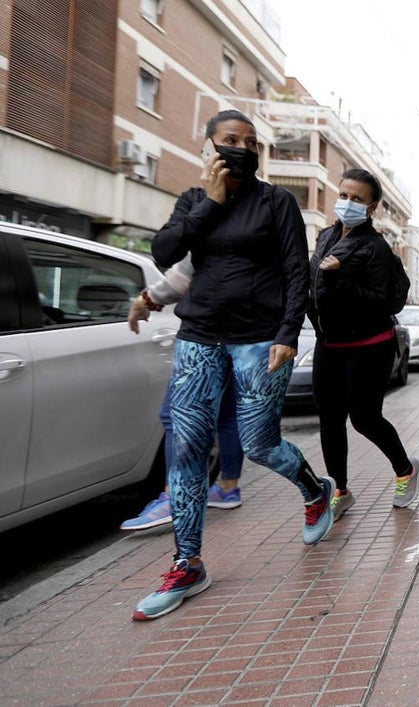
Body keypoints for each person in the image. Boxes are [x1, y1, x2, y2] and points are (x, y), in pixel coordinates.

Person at [132, 109, 334, 621]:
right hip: (199, 337)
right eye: (229, 140)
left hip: (260, 341)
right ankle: (188, 562)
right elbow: (165, 251)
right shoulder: (194, 201)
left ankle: (315, 490)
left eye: (249, 141)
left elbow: (295, 271)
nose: (241, 147)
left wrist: (288, 333)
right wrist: (213, 202)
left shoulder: (277, 202)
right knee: (187, 448)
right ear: (209, 148)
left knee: (258, 444)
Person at [309, 168, 419, 519]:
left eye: (357, 199)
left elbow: (383, 302)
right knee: (329, 420)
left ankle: (405, 469)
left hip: (370, 345)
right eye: (344, 195)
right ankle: (340, 489)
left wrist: (338, 280)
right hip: (328, 343)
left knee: (364, 418)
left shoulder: (376, 248)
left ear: (372, 207)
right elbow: (311, 288)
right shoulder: (325, 236)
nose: (347, 203)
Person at [120, 258, 245, 531]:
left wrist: (147, 299)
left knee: (175, 415)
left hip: (209, 334)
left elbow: (183, 273)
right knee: (226, 415)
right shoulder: (257, 221)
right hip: (238, 331)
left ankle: (176, 497)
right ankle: (227, 488)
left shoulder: (214, 220)